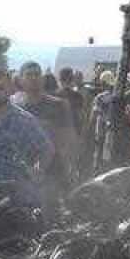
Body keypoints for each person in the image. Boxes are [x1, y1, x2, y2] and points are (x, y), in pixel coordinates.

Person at [13, 61, 78, 192]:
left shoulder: (58, 105)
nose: (33, 78)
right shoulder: (14, 108)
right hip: (22, 170)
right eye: (29, 75)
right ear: (21, 80)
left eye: (37, 74)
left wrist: (70, 167)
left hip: (53, 170)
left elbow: (69, 139)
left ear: (42, 79)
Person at [57, 67, 86, 135]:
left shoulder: (53, 95)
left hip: (58, 132)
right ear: (72, 79)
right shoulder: (78, 96)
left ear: (60, 80)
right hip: (73, 131)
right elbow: (80, 116)